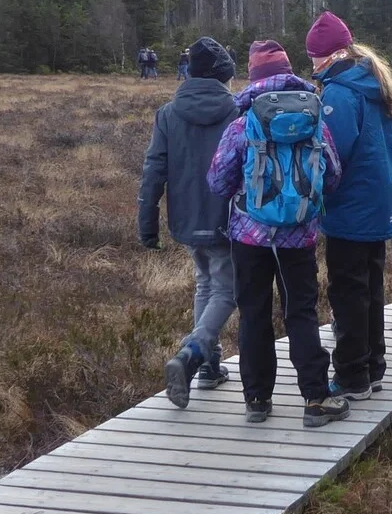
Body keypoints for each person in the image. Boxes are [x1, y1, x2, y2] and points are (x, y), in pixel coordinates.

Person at [207, 39, 350, 429]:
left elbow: (218, 181)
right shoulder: (314, 118)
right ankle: (316, 398)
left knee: (254, 314)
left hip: (249, 237)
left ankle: (256, 399)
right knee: (300, 312)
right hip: (299, 237)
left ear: (254, 77)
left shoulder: (243, 123)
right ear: (289, 73)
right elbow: (333, 175)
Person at [137, 36, 239, 406]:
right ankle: (192, 353)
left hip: (186, 217)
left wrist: (147, 224)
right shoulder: (236, 111)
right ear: (224, 75)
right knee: (226, 290)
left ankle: (209, 368)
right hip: (226, 217)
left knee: (204, 284)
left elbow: (153, 171)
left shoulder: (168, 113)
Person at [305, 10, 392, 400]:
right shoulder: (373, 82)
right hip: (378, 204)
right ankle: (373, 367)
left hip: (351, 208)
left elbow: (332, 154)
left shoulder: (341, 93)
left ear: (329, 55)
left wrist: (313, 194)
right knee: (371, 287)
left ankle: (351, 376)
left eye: (313, 56)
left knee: (348, 292)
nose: (311, 64)